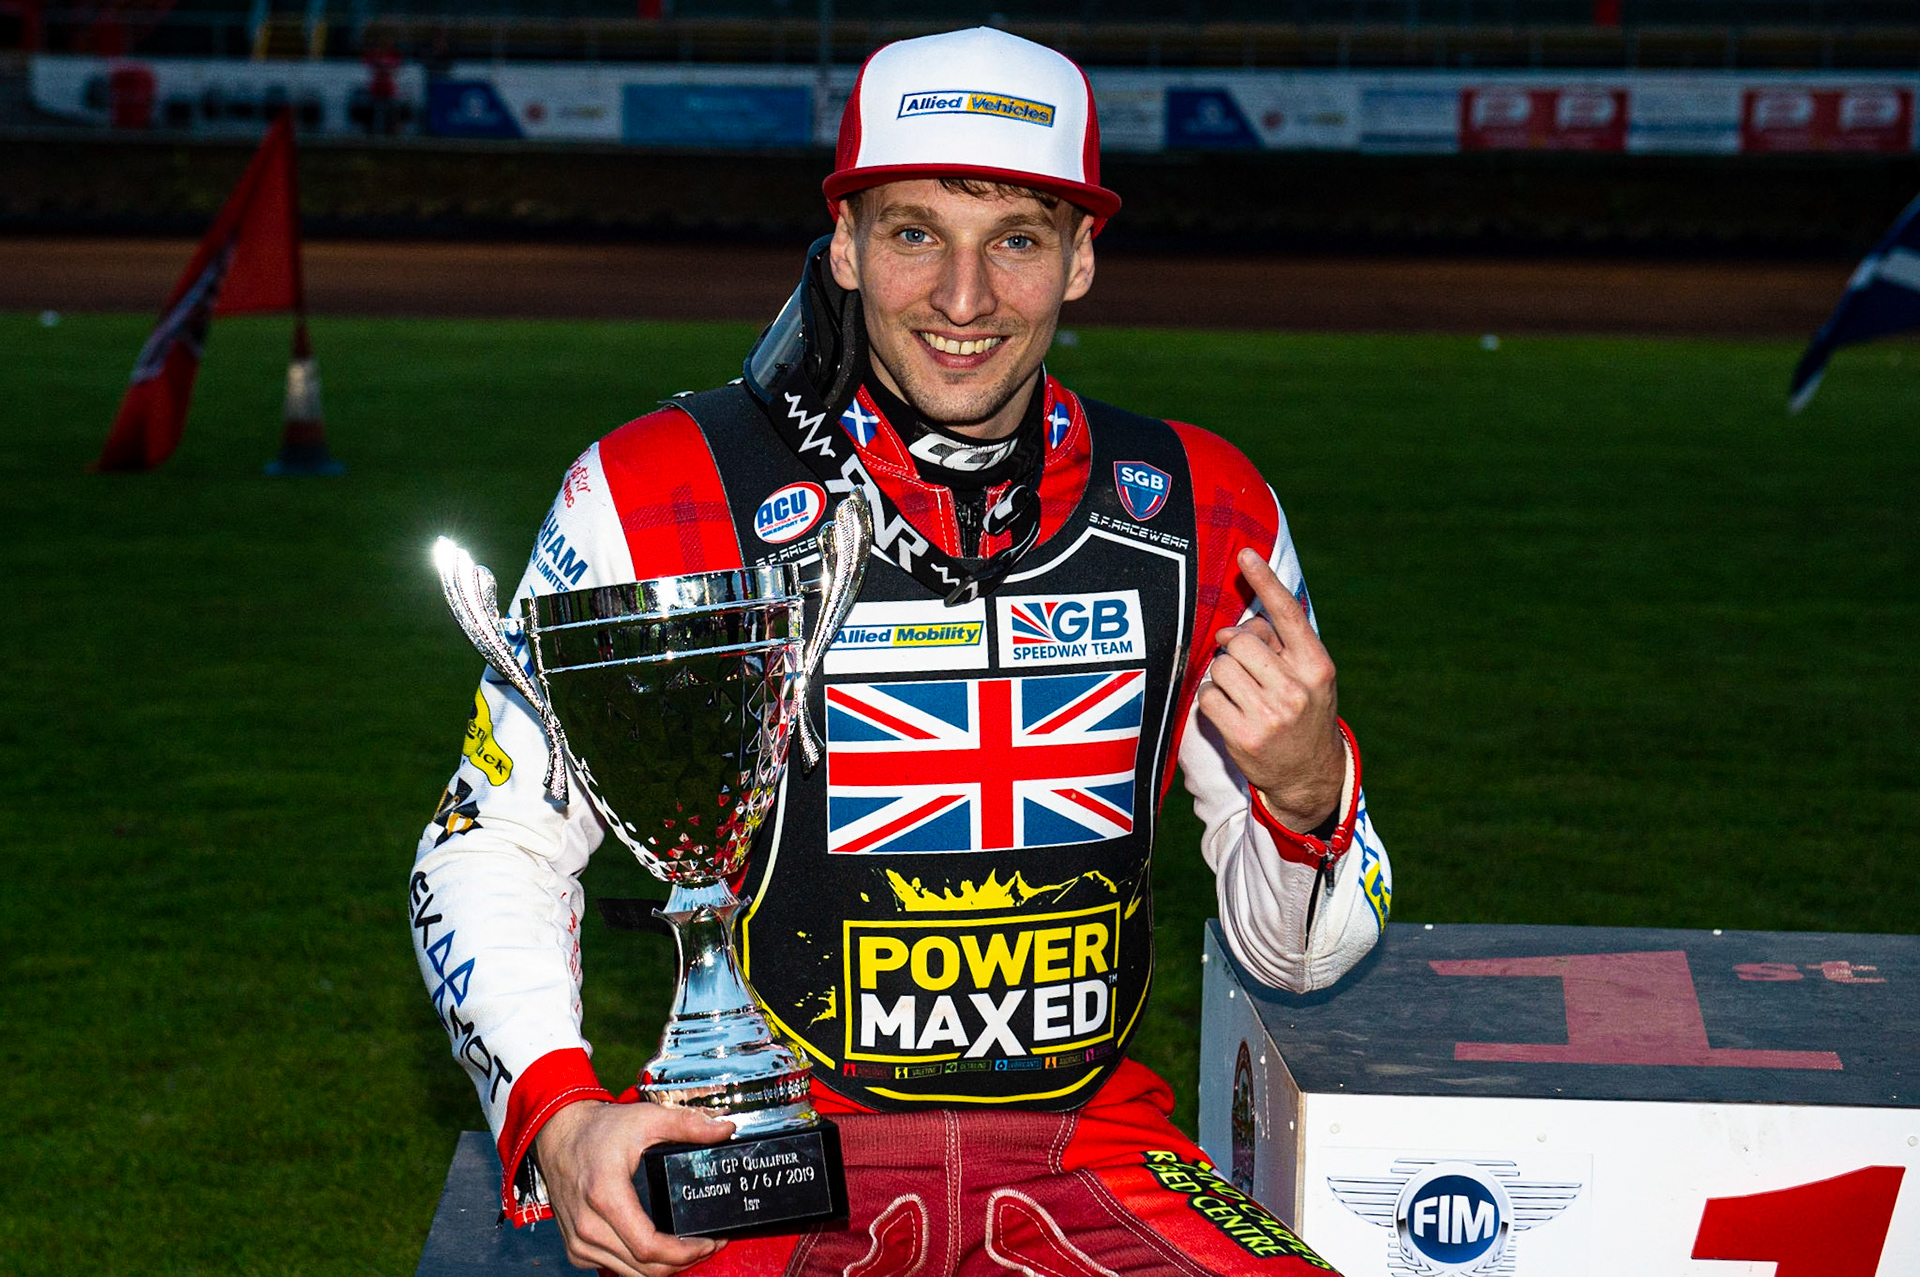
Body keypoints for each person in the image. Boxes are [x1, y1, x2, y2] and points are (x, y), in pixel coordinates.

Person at [411, 27, 1391, 1277]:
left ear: (1084, 258)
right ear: (844, 244)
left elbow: (1303, 957)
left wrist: (1310, 794)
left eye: (1018, 240)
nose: (965, 298)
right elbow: (488, 839)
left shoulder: (1207, 506)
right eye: (917, 232)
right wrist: (557, 1117)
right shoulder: (664, 488)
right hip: (753, 1143)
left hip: (1088, 1146)